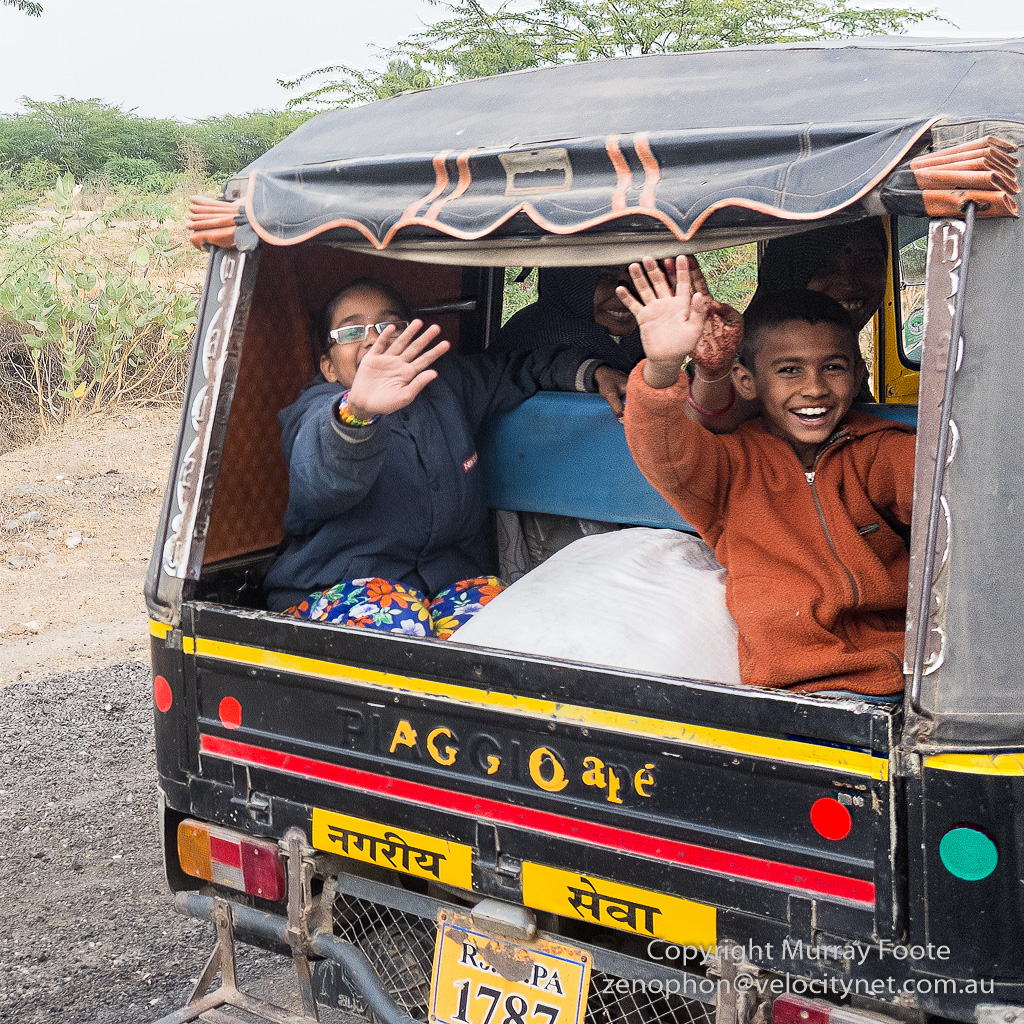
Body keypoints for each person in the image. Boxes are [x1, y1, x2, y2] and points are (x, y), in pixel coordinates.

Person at [263, 277, 626, 638]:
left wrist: (592, 373)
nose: (374, 339)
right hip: (332, 590)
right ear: (328, 367)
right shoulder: (317, 411)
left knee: (519, 623)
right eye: (352, 332)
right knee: (400, 617)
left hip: (445, 589)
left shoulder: (448, 384)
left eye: (389, 326)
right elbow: (322, 476)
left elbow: (517, 370)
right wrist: (358, 411)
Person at [620, 258, 915, 695]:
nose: (814, 388)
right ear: (746, 381)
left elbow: (945, 488)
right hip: (802, 687)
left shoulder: (877, 449)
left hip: (912, 675)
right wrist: (662, 366)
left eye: (833, 367)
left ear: (858, 377)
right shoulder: (731, 467)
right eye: (789, 370)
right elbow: (660, 449)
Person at [688, 220, 889, 431]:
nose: (849, 282)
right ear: (786, 270)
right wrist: (712, 375)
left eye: (869, 261)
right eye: (823, 264)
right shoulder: (734, 353)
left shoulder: (846, 351)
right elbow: (708, 421)